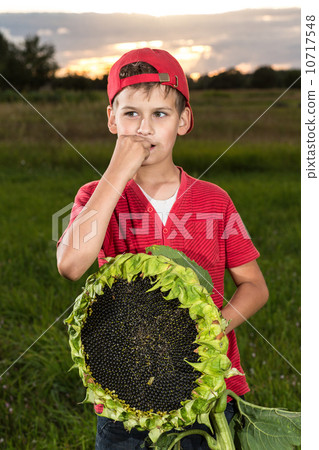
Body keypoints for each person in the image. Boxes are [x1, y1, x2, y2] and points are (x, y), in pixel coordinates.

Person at [57, 48, 269, 449]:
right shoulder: (95, 196)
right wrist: (119, 170)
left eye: (160, 114)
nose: (144, 128)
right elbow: (70, 264)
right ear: (111, 120)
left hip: (204, 391)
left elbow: (254, 286)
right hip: (125, 392)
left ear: (183, 121)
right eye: (131, 113)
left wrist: (209, 331)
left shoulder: (215, 200)